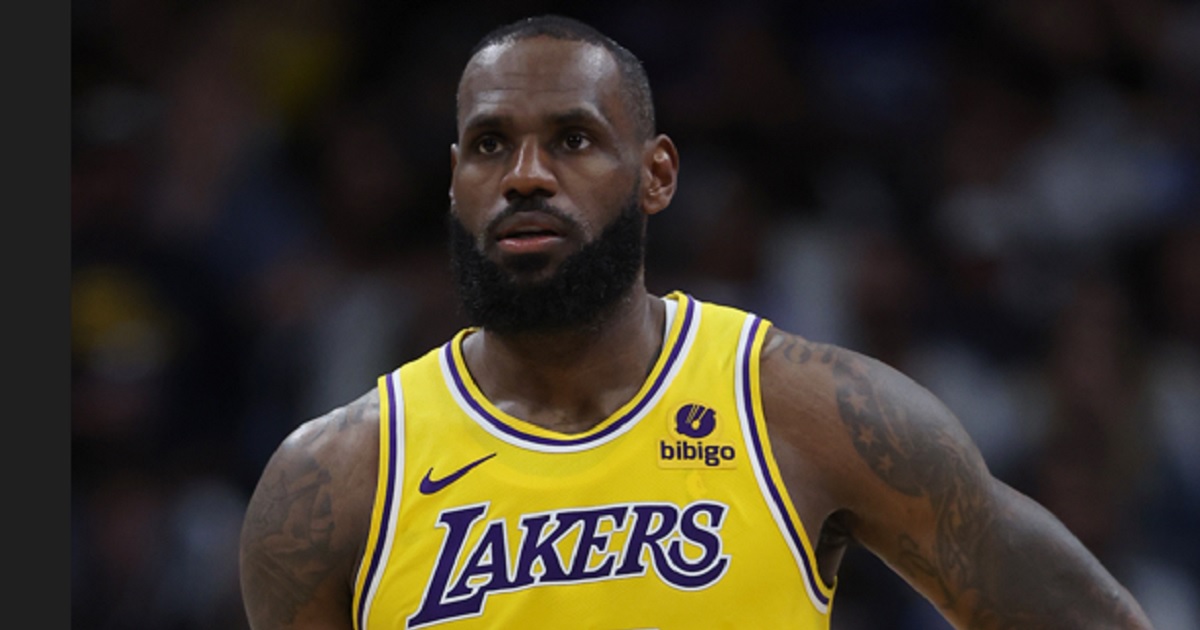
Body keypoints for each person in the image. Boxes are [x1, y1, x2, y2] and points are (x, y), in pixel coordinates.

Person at [238, 14, 1154, 630]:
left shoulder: (806, 409)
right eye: (489, 144)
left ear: (657, 175)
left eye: (573, 138)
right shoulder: (334, 478)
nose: (524, 173)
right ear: (455, 183)